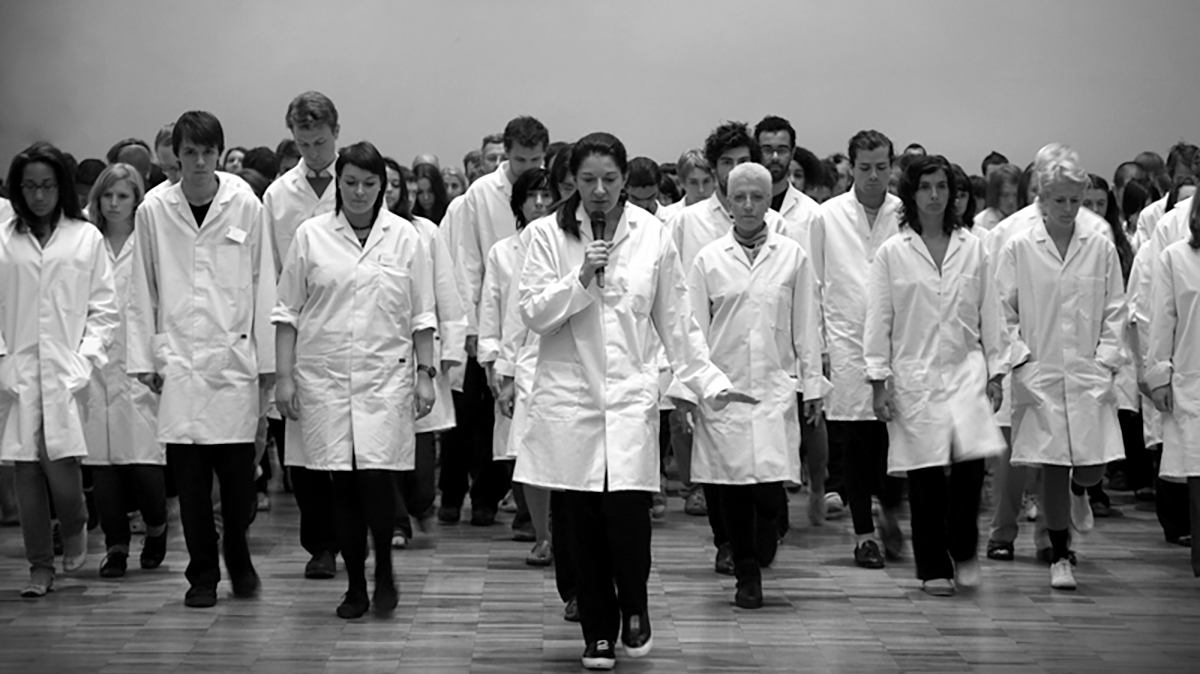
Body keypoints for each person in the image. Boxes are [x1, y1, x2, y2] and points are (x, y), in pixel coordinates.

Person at [517, 132, 753, 670]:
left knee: (628, 521)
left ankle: (636, 608)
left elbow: (677, 323)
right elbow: (532, 313)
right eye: (587, 180)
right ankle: (597, 632)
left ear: (625, 180)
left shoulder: (653, 236)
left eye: (609, 180)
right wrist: (579, 279)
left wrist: (711, 383)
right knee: (580, 527)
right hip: (569, 404)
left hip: (627, 401)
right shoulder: (545, 237)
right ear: (569, 183)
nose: (598, 191)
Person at [274, 140, 437, 618]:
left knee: (377, 480)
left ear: (383, 186)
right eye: (350, 183)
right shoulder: (310, 236)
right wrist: (284, 378)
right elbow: (287, 312)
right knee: (339, 486)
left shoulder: (406, 237)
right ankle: (354, 586)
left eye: (370, 184)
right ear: (338, 185)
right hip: (323, 378)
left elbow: (421, 315)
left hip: (385, 379)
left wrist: (426, 375)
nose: (360, 192)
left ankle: (384, 569)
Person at [126, 110, 275, 608]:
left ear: (218, 153)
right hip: (180, 363)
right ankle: (202, 575)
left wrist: (268, 360)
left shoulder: (243, 203)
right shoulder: (154, 209)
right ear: (175, 155)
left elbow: (263, 280)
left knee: (237, 482)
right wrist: (143, 355)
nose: (198, 161)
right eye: (188, 152)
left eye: (207, 152)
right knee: (189, 487)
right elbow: (140, 286)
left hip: (233, 360)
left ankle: (239, 554)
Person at [682, 162, 825, 609]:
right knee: (730, 487)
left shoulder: (792, 256)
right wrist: (689, 392)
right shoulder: (708, 260)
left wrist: (813, 388)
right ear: (725, 200)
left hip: (773, 387)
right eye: (738, 197)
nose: (747, 205)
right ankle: (747, 574)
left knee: (768, 488)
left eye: (756, 198)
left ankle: (767, 536)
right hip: (722, 390)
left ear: (769, 201)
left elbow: (807, 326)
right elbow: (691, 330)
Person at [865, 155, 1006, 596]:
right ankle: (932, 567)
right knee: (925, 481)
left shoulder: (975, 247)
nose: (934, 195)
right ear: (911, 194)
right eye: (925, 187)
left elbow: (992, 314)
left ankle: (964, 550)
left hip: (966, 373)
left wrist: (997, 373)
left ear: (952, 193)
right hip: (915, 378)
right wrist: (877, 382)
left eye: (942, 187)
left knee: (968, 479)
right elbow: (879, 320)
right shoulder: (893, 252)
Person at [995, 146, 1128, 590]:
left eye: (1076, 199)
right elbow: (1003, 311)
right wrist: (1020, 359)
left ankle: (1081, 492)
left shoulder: (1100, 244)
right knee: (1053, 463)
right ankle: (1060, 554)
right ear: (1042, 199)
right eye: (1060, 200)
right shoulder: (1020, 245)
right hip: (1043, 371)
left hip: (1088, 371)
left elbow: (1116, 308)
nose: (1070, 209)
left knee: (1089, 467)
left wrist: (1107, 358)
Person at [1, 142, 118, 598]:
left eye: (47, 186)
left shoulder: (84, 237)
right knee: (26, 468)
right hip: (20, 368)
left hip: (69, 367)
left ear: (61, 187)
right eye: (29, 186)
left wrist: (85, 359)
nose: (38, 196)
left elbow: (104, 308)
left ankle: (74, 520)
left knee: (62, 465)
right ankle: (39, 566)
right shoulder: (6, 238)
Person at [440, 116, 549, 527]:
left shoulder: (549, 191)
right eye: (519, 159)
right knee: (469, 412)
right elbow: (467, 263)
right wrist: (469, 327)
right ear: (506, 154)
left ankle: (494, 496)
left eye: (535, 158)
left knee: (516, 415)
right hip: (486, 315)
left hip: (530, 320)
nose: (526, 166)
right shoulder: (481, 194)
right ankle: (455, 493)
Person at [811, 129, 904, 569]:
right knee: (856, 441)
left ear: (893, 165)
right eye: (864, 167)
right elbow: (815, 283)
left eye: (881, 167)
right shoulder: (827, 216)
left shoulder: (904, 214)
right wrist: (819, 346)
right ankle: (863, 534)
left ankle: (889, 507)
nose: (872, 176)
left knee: (892, 437)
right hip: (845, 340)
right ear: (850, 166)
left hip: (898, 341)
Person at [261, 91, 341, 581]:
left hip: (349, 329)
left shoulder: (355, 185)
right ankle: (320, 546)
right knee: (305, 451)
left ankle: (352, 536)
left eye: (320, 141)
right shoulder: (278, 195)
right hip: (299, 333)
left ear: (336, 133)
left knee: (349, 450)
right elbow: (271, 269)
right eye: (303, 143)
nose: (312, 152)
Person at [82, 163, 169, 579]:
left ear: (138, 200)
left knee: (144, 463)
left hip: (139, 366)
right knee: (103, 466)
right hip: (96, 366)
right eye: (107, 196)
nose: (114, 203)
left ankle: (157, 526)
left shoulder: (150, 241)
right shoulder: (86, 241)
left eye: (123, 196)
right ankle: (115, 546)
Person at [754, 115, 831, 526]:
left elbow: (820, 280)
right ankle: (773, 494)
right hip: (759, 324)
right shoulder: (744, 204)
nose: (775, 157)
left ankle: (818, 486)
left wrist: (821, 343)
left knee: (811, 415)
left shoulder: (812, 214)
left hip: (802, 323)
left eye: (782, 148)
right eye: (767, 148)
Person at [480, 168, 558, 565]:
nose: (541, 204)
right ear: (518, 203)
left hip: (563, 357)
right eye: (533, 197)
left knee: (565, 453)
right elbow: (498, 310)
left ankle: (568, 536)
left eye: (548, 196)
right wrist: (498, 365)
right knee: (530, 455)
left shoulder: (569, 242)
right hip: (523, 359)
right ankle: (542, 535)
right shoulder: (504, 252)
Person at [1147, 194, 1200, 577]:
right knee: (1198, 474)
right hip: (1191, 377)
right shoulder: (1177, 258)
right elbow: (1162, 320)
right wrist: (1159, 376)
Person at [656, 149, 714, 224]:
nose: (701, 190)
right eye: (694, 182)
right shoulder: (666, 219)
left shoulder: (727, 216)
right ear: (682, 183)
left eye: (706, 181)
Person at [974, 163, 1021, 231]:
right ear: (995, 194)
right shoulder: (981, 222)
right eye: (1005, 195)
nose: (1011, 201)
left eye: (1015, 195)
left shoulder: (1028, 217)